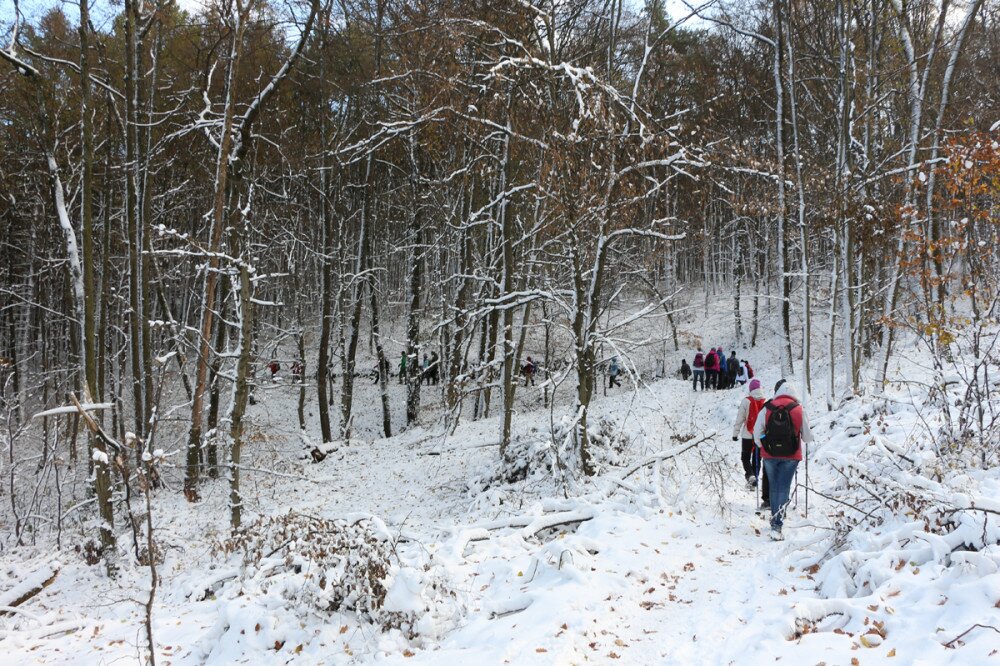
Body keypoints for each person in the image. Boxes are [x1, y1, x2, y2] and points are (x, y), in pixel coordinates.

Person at [753, 380, 814, 541]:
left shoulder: (767, 408)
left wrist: (764, 445)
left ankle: (775, 519)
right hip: (791, 456)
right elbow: (807, 437)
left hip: (769, 456)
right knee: (783, 488)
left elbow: (757, 432)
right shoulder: (798, 409)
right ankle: (777, 524)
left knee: (774, 487)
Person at [732, 379, 767, 492]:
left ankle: (750, 476)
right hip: (761, 435)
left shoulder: (746, 401)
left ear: (751, 389)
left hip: (747, 434)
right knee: (757, 458)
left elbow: (740, 418)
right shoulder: (765, 401)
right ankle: (755, 477)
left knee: (745, 457)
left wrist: (735, 433)